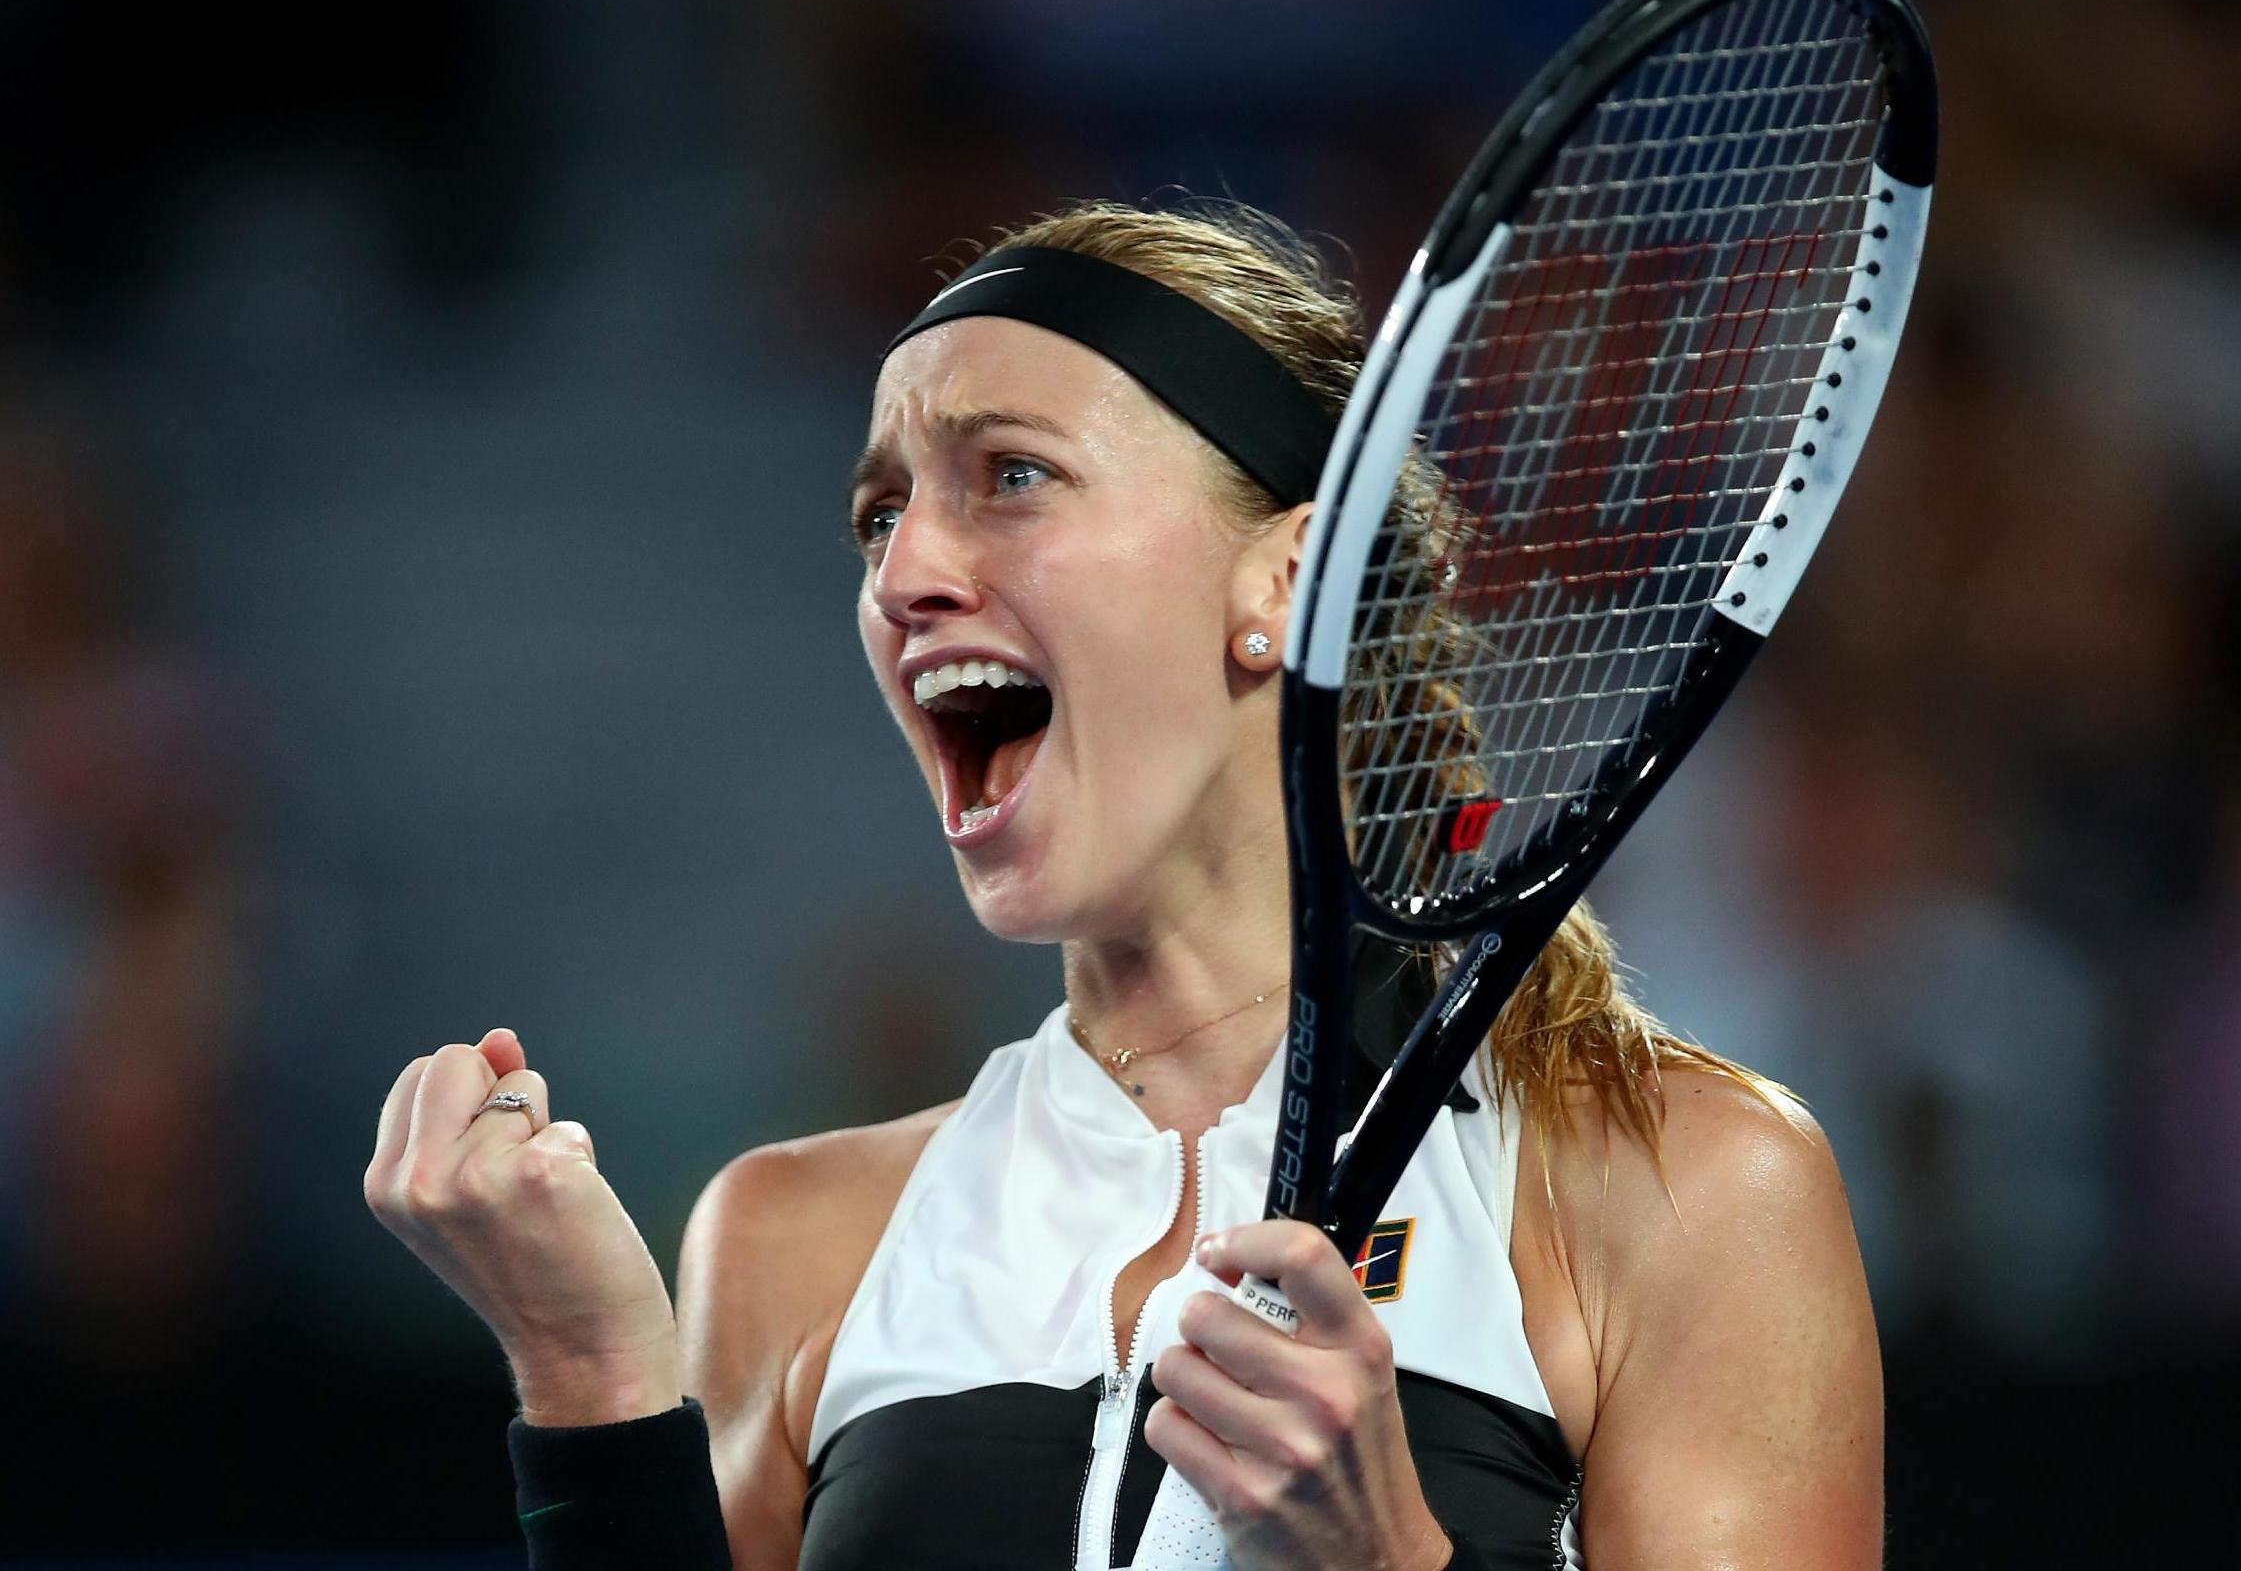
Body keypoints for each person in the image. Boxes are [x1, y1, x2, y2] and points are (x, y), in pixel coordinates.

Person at [366, 202, 1882, 1570]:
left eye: (1010, 476)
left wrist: (1389, 1564)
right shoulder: (787, 1237)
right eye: (879, 514)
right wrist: (590, 1376)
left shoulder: (1679, 1183)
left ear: (1283, 585)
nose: (902, 577)